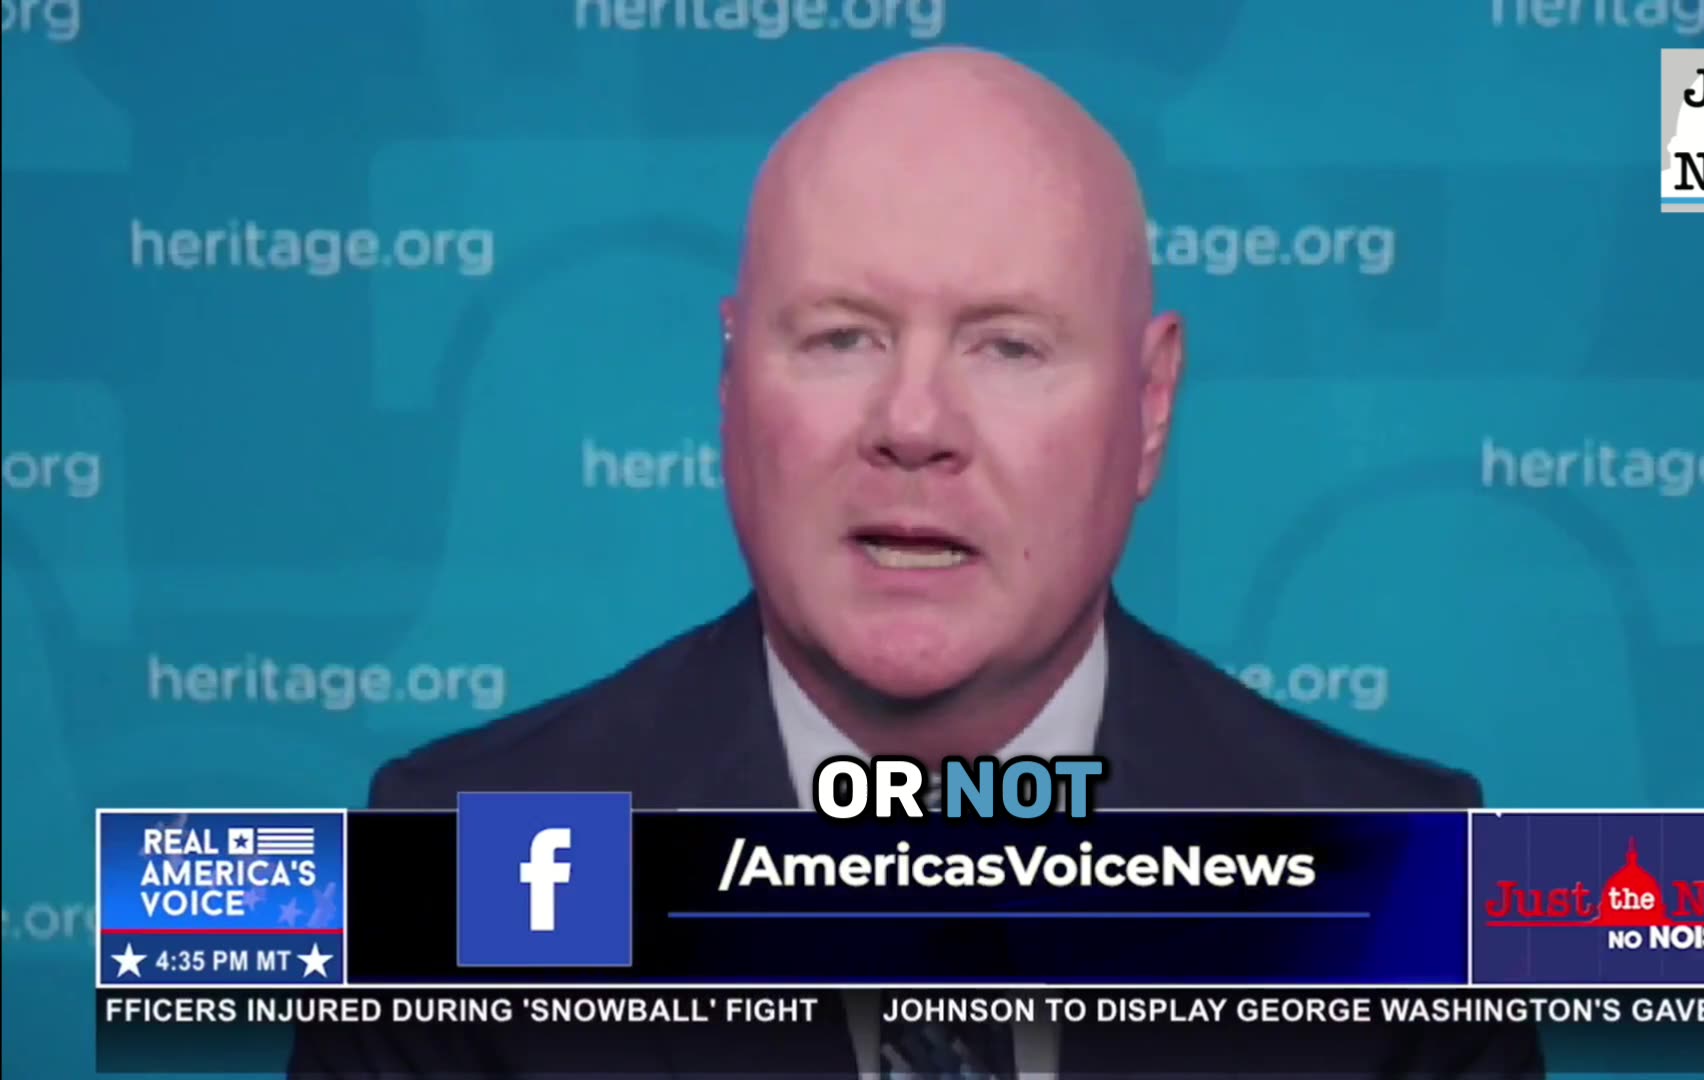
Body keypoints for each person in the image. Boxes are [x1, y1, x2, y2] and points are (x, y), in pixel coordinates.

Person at [290, 46, 1543, 1080]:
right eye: (843, 337)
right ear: (730, 378)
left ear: (1151, 404)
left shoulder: (1403, 886)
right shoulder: (459, 870)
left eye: (1009, 346)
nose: (913, 424)